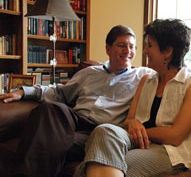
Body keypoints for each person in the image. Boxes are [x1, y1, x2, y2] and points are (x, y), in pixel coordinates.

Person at [0, 25, 155, 177]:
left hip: (101, 130)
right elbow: (59, 91)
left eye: (132, 47)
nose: (128, 51)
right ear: (108, 49)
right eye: (122, 45)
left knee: (48, 139)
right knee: (50, 109)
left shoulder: (143, 75)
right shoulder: (88, 73)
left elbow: (171, 77)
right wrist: (24, 92)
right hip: (74, 120)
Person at [74, 19, 191, 177]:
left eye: (149, 45)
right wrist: (132, 123)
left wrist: (141, 130)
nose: (144, 51)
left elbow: (175, 136)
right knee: (104, 130)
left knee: (108, 161)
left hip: (171, 151)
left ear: (168, 51)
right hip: (138, 141)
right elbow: (128, 121)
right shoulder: (146, 80)